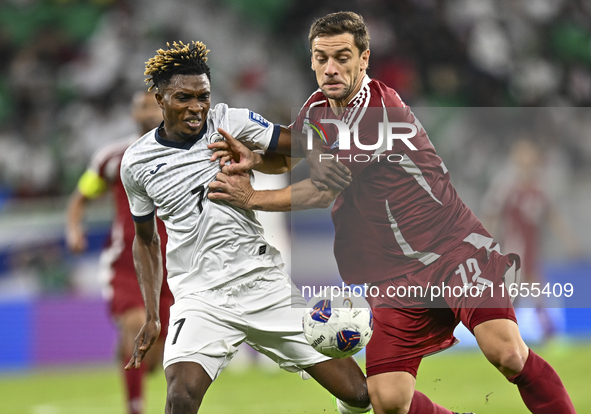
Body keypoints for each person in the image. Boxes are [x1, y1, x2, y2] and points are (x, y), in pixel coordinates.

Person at [207, 12, 577, 414]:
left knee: (506, 351)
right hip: (395, 275)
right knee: (388, 400)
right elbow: (292, 157)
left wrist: (250, 198)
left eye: (343, 57)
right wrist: (254, 159)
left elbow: (321, 189)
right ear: (311, 60)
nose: (330, 68)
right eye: (321, 57)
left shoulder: (378, 111)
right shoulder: (317, 108)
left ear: (364, 59)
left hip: (451, 250)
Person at [119, 41, 371, 414]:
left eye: (203, 96)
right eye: (183, 97)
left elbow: (298, 143)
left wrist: (273, 158)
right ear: (159, 98)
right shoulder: (137, 163)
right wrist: (154, 314)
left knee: (360, 395)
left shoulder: (228, 121)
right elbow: (146, 240)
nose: (196, 107)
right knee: (181, 394)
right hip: (200, 296)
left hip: (262, 284)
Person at [66, 91, 174, 414]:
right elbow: (80, 198)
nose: (147, 112)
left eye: (152, 106)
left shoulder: (187, 153)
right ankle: (135, 407)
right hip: (126, 264)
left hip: (171, 268)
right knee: (137, 326)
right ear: (133, 115)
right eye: (140, 107)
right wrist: (74, 229)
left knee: (153, 357)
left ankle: (128, 353)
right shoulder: (111, 158)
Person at [481, 137, 580, 342]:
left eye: (530, 155)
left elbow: (552, 216)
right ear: (515, 158)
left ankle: (540, 337)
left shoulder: (540, 187)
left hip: (533, 250)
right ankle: (509, 337)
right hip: (513, 250)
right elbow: (492, 214)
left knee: (531, 294)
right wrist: (486, 243)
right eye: (522, 154)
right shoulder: (506, 185)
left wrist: (569, 240)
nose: (527, 159)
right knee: (518, 295)